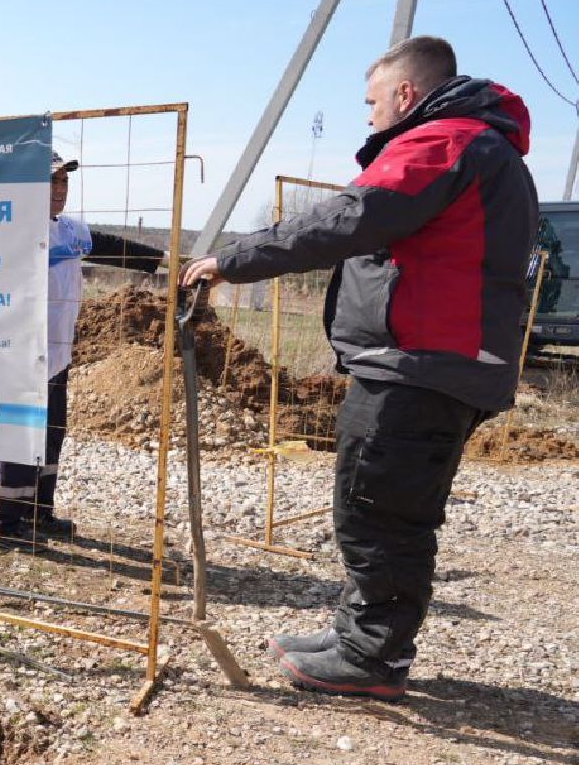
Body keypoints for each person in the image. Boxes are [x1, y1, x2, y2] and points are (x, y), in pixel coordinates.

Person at [180, 36, 537, 701]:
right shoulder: (476, 144)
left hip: (422, 362)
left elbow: (353, 216)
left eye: (372, 102)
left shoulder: (443, 140)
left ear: (406, 95)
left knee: (379, 510)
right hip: (425, 359)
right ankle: (355, 636)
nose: (368, 116)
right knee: (370, 500)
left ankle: (373, 657)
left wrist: (235, 259)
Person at [0, 152, 164, 539]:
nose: (59, 190)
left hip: (59, 353)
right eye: (51, 182)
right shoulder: (11, 231)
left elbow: (112, 246)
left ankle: (36, 513)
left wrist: (163, 258)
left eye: (64, 182)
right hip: (21, 354)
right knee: (21, 435)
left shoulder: (70, 232)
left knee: (51, 433)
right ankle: (3, 521)